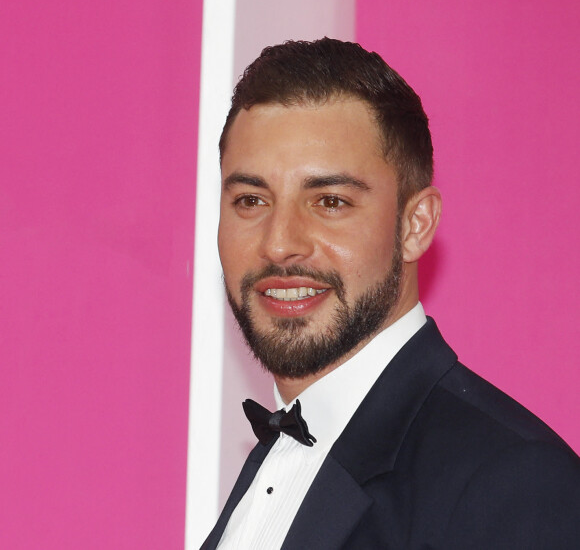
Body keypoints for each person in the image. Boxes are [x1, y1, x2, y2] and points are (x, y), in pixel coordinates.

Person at [201, 38, 580, 549]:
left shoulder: (513, 484)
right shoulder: (278, 458)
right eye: (250, 200)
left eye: (330, 201)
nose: (279, 243)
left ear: (414, 225)